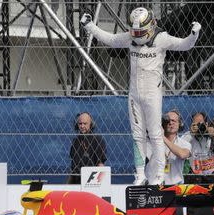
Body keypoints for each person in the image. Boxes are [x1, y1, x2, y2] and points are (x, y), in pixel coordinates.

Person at [80, 7, 201, 185]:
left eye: (140, 32)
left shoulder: (162, 38)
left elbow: (184, 45)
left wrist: (193, 34)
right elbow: (111, 39)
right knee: (137, 135)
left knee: (155, 134)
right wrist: (89, 25)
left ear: (151, 26)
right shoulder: (130, 37)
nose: (136, 35)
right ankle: (139, 175)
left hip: (153, 94)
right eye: (134, 31)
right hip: (134, 94)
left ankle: (159, 175)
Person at [181, 112, 214, 184]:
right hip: (196, 176)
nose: (199, 127)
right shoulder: (189, 135)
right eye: (196, 124)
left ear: (206, 124)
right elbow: (179, 148)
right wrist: (191, 134)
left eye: (201, 124)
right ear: (192, 125)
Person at [66, 112, 107, 184]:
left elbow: (100, 165)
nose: (82, 126)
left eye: (85, 124)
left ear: (91, 125)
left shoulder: (97, 140)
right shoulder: (76, 141)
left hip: (91, 182)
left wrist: (99, 187)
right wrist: (66, 187)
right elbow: (73, 169)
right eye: (80, 124)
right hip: (76, 181)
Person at [162, 110, 191, 185]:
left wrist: (163, 138)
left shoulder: (184, 143)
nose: (170, 123)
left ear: (180, 124)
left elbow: (182, 154)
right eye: (167, 121)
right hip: (157, 185)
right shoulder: (156, 142)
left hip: (176, 186)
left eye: (173, 121)